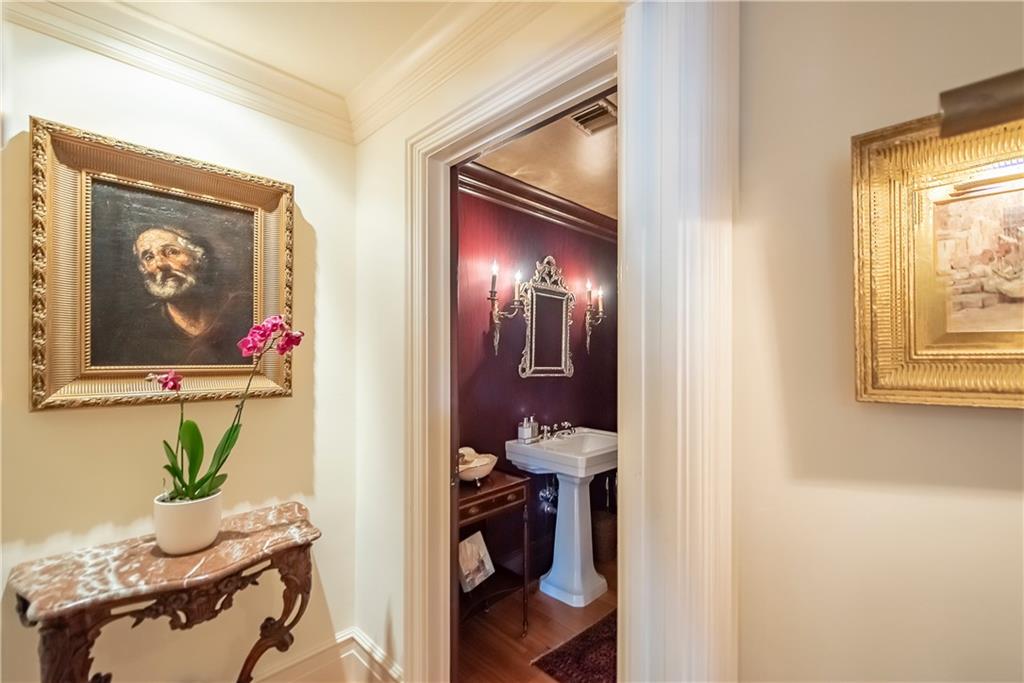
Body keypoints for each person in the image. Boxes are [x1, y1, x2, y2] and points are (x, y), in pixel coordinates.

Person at [104, 226, 252, 366]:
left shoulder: (243, 310)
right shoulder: (134, 334)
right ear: (143, 269)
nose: (160, 264)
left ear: (198, 256)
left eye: (171, 252)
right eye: (149, 257)